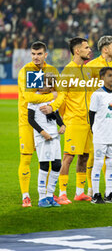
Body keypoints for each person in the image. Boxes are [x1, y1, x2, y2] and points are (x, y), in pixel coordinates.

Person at [40, 37, 93, 204]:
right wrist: (59, 115)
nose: (89, 50)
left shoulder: (87, 71)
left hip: (87, 122)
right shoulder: (68, 72)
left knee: (84, 156)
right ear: (77, 51)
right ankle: (62, 192)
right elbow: (62, 96)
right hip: (73, 120)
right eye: (86, 47)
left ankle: (79, 192)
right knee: (68, 157)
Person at [18, 41, 58, 207]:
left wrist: (53, 104)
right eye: (33, 54)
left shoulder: (52, 71)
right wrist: (51, 97)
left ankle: (48, 194)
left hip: (48, 122)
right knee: (26, 158)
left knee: (48, 159)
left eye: (39, 54)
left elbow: (61, 96)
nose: (36, 57)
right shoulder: (25, 71)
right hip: (28, 121)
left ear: (45, 55)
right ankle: (25, 195)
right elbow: (30, 98)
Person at [86, 36, 112, 197]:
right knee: (93, 153)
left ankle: (109, 188)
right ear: (105, 49)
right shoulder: (91, 66)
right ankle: (91, 188)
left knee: (109, 155)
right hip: (95, 113)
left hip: (111, 114)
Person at [28, 73, 66, 207]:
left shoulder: (52, 100)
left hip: (54, 136)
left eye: (49, 84)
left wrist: (62, 125)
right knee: (44, 166)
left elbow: (56, 114)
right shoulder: (34, 98)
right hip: (42, 137)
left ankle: (50, 195)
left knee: (57, 165)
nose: (46, 85)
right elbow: (30, 119)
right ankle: (41, 197)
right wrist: (42, 132)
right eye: (44, 83)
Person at [89, 67, 112, 204]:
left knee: (111, 163)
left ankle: (109, 194)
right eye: (110, 75)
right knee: (97, 163)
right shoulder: (97, 95)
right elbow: (91, 114)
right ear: (102, 78)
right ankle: (95, 194)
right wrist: (94, 130)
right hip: (100, 135)